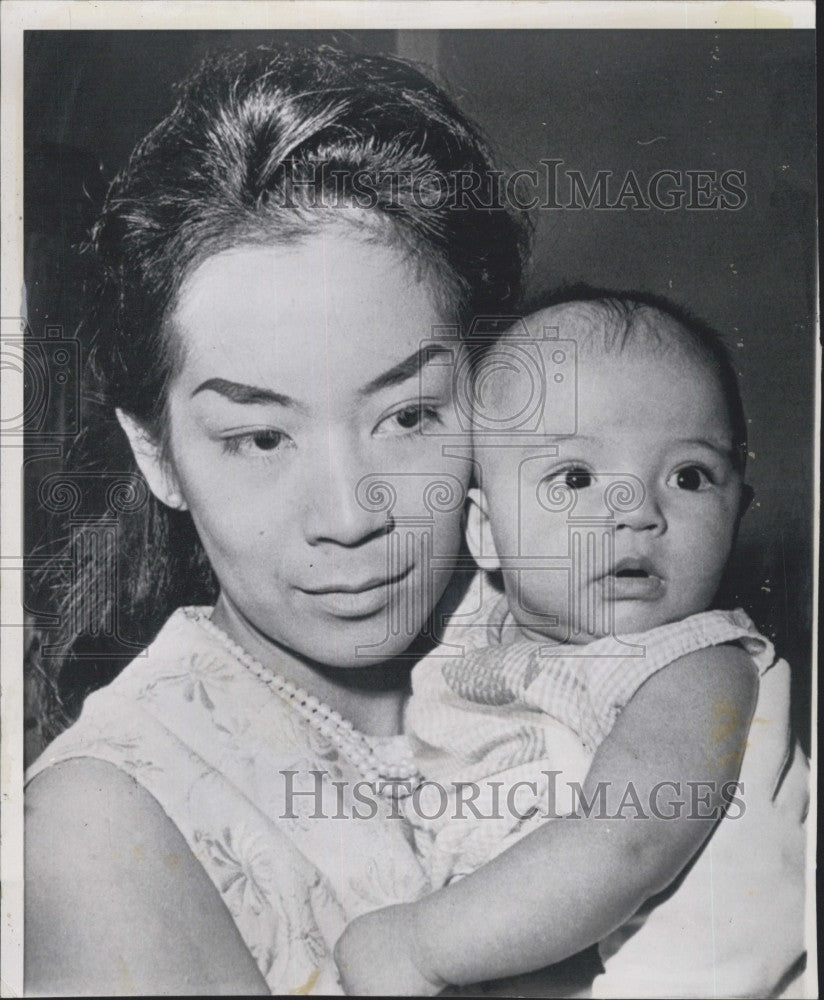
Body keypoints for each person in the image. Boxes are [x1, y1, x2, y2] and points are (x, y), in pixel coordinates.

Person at [23, 43, 528, 995]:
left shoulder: (591, 640)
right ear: (156, 455)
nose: (348, 516)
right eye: (259, 438)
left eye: (409, 416)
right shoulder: (100, 830)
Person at [334, 297, 809, 998]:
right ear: (487, 534)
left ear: (738, 509)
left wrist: (422, 946)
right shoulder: (477, 625)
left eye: (689, 476)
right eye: (577, 479)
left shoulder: (697, 664)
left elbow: (629, 840)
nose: (638, 513)